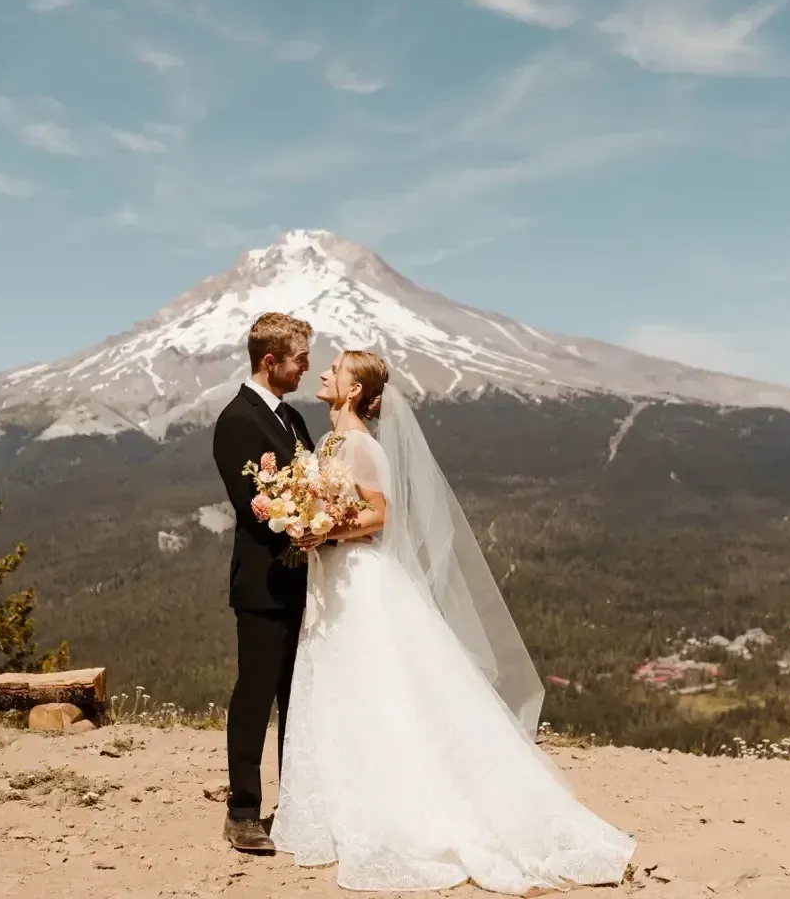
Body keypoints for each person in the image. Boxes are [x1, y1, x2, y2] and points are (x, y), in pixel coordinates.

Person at [269, 350, 637, 894]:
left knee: (379, 688)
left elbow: (379, 513)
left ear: (350, 391)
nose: (323, 373)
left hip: (360, 580)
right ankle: (344, 802)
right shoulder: (330, 443)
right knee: (342, 689)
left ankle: (406, 808)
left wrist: (324, 530)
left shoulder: (362, 446)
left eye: (334, 370)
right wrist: (307, 522)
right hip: (332, 578)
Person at [210, 312, 316, 853]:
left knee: (300, 697)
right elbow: (256, 508)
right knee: (255, 692)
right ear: (270, 361)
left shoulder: (294, 419)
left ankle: (297, 801)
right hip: (263, 583)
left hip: (306, 582)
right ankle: (243, 810)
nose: (306, 369)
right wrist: (306, 523)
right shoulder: (236, 420)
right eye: (300, 360)